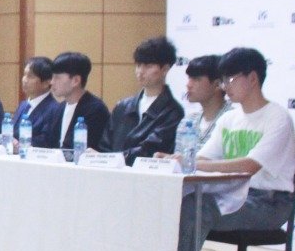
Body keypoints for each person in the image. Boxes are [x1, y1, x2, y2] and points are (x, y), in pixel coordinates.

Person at [168, 48, 295, 251]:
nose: (225, 86)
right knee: (176, 202)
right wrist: (181, 160)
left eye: (230, 79)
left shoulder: (277, 117)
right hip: (232, 195)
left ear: (253, 78)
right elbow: (204, 158)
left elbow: (250, 166)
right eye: (223, 80)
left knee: (197, 207)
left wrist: (196, 164)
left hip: (268, 202)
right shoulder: (229, 119)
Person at [107, 36, 185, 164]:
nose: (140, 71)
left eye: (148, 66)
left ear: (165, 69)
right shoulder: (123, 106)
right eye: (138, 65)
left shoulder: (173, 112)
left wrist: (111, 159)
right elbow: (105, 144)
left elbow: (149, 151)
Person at [33, 51, 111, 154]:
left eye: (57, 77)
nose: (52, 82)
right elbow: (48, 142)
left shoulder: (95, 110)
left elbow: (84, 149)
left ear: (76, 81)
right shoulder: (59, 108)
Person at [11, 56, 61, 146]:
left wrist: (20, 145)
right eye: (24, 74)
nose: (24, 80)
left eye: (30, 76)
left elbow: (47, 141)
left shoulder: (55, 109)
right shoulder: (23, 105)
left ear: (46, 83)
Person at [184, 54, 231, 146]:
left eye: (196, 79)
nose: (188, 85)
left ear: (217, 84)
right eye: (189, 78)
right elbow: (180, 153)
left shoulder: (234, 120)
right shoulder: (188, 122)